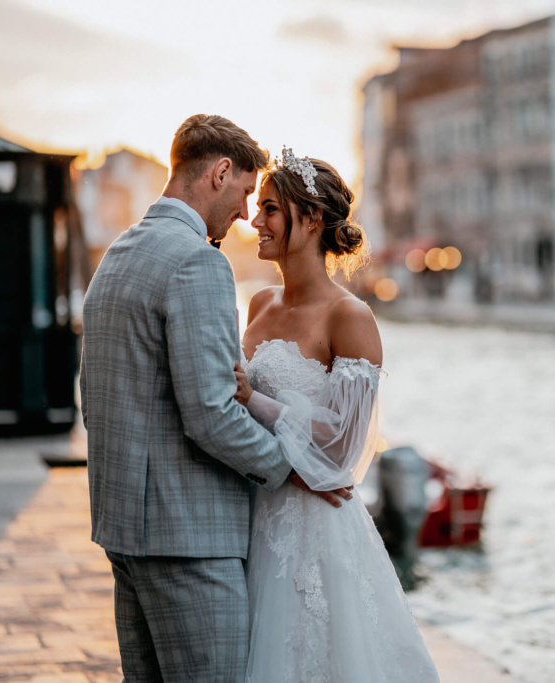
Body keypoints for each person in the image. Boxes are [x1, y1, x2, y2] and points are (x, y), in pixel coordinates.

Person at [79, 115, 351, 682]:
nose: (245, 216)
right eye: (246, 193)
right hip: (189, 540)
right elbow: (211, 414)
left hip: (123, 529)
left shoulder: (116, 257)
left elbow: (92, 393)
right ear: (220, 173)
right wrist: (294, 468)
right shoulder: (198, 261)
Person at [236, 147, 439, 682]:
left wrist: (252, 399)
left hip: (314, 525)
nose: (255, 221)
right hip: (253, 514)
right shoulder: (258, 304)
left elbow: (344, 448)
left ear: (312, 219)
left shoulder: (351, 317)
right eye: (258, 207)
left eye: (270, 209)